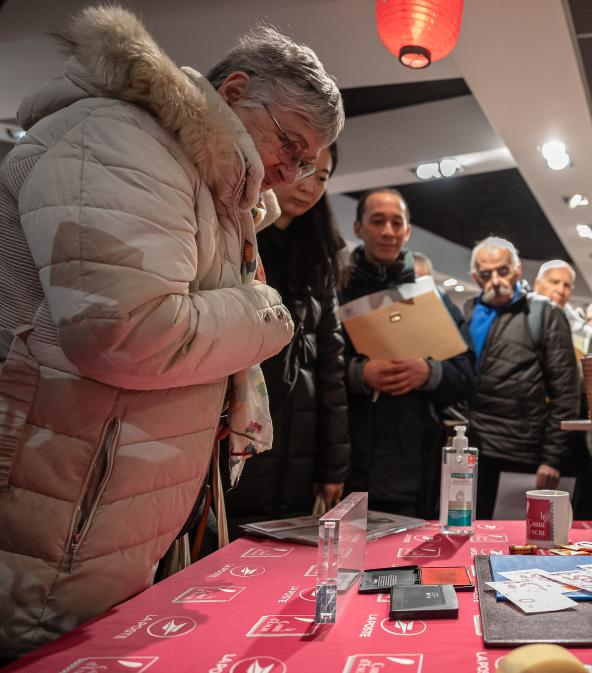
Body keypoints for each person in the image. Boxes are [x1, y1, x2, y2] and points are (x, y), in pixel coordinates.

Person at [0, 5, 343, 657]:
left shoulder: (199, 182)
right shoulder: (120, 139)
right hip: (55, 499)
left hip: (86, 494)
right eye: (291, 146)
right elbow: (126, 334)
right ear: (234, 91)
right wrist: (267, 312)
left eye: (307, 165)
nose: (290, 173)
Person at [225, 143, 350, 538]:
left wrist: (333, 465)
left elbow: (331, 371)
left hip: (301, 449)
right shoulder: (239, 243)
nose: (309, 185)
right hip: (241, 433)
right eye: (305, 168)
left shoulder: (321, 260)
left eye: (323, 177)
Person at [340, 188, 474, 517]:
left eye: (396, 223)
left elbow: (468, 375)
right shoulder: (338, 292)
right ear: (358, 228)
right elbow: (313, 370)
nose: (388, 231)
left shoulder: (432, 298)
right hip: (345, 467)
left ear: (407, 231)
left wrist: (430, 373)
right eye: (377, 221)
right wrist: (357, 373)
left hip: (414, 469)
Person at [464, 238, 580, 519]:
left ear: (517, 271)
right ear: (475, 277)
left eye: (503, 271)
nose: (496, 280)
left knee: (516, 540)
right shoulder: (467, 312)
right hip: (470, 452)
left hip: (521, 455)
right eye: (486, 273)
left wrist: (552, 458)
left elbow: (566, 393)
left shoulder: (545, 313)